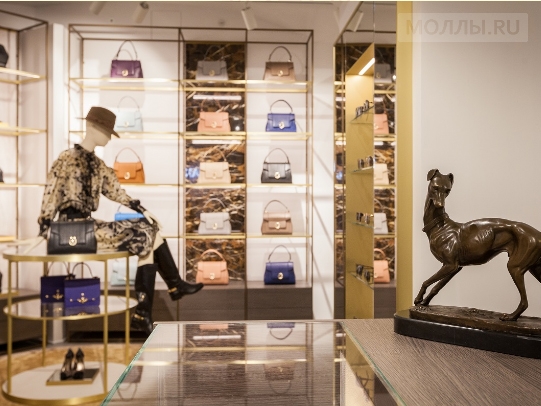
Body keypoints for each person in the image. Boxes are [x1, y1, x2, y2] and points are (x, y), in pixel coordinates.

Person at [19, 106, 203, 335]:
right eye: (106, 131)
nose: (108, 137)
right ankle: (164, 294)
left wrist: (142, 210)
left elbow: (116, 192)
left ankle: (152, 307)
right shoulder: (66, 159)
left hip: (89, 226)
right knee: (148, 235)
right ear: (92, 128)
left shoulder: (98, 166)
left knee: (149, 232)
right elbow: (51, 193)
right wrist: (44, 227)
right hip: (71, 231)